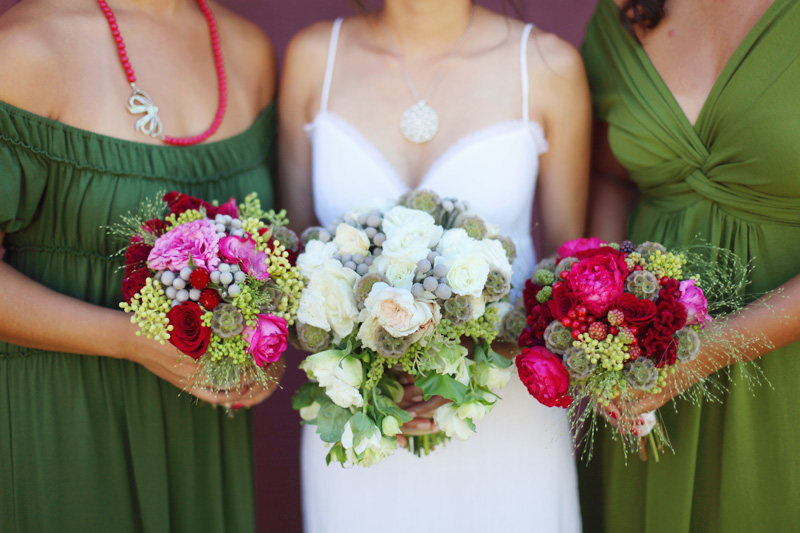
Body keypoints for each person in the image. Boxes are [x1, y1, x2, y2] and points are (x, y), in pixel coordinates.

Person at [279, 0, 590, 530]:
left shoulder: (544, 63)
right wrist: (375, 374)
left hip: (504, 421)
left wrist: (462, 365)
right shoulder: (315, 57)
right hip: (363, 428)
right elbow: (296, 265)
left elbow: (566, 284)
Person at [0, 0, 278, 530]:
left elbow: (270, 253)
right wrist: (128, 338)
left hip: (203, 429)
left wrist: (267, 343)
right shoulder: (24, 49)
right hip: (68, 424)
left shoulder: (247, 49)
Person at [579, 0, 800, 530]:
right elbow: (612, 173)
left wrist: (701, 353)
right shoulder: (623, 16)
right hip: (643, 371)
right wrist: (605, 304)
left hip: (781, 366)